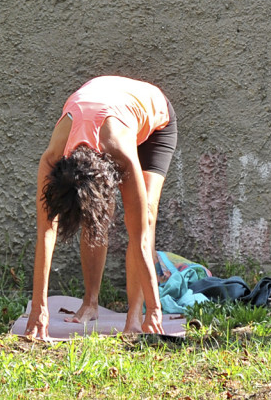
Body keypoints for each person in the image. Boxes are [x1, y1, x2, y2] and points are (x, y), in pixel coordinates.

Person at [25, 76, 177, 338]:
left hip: (154, 122)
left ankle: (135, 315)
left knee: (146, 217)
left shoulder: (121, 153)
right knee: (93, 216)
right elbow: (45, 231)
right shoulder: (52, 158)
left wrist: (154, 310)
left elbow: (140, 238)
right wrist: (39, 309)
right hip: (102, 107)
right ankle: (90, 302)